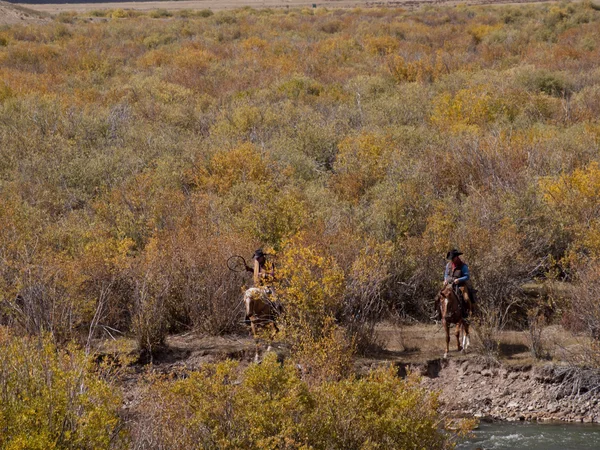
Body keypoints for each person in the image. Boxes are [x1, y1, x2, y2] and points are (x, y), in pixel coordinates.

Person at [443, 249, 474, 318]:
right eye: (451, 258)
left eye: (453, 258)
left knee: (466, 298)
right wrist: (445, 279)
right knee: (440, 296)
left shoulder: (463, 266)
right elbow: (446, 274)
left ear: (456, 257)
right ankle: (439, 313)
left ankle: (469, 313)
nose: (452, 260)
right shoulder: (448, 265)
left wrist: (459, 280)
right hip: (450, 284)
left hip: (461, 285)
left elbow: (467, 276)